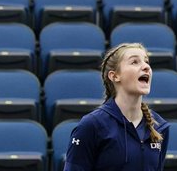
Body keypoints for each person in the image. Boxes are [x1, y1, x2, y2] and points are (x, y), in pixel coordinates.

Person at [63, 43, 169, 171]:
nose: (146, 67)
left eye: (146, 62)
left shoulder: (159, 127)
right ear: (114, 76)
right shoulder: (92, 125)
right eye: (134, 62)